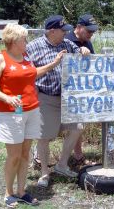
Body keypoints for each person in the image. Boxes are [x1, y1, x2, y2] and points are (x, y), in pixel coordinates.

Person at [0, 23, 66, 208]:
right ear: (13, 41)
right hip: (11, 114)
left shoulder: (26, 56)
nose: (26, 42)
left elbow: (33, 74)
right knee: (13, 155)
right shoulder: (1, 59)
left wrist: (54, 64)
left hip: (32, 110)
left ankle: (21, 191)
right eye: (24, 39)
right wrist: (7, 97)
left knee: (25, 153)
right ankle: (8, 193)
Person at [26, 15, 91, 188]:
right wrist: (53, 64)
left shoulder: (66, 44)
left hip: (66, 97)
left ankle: (62, 165)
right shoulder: (33, 47)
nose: (66, 33)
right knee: (44, 137)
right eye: (63, 30)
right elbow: (28, 73)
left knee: (77, 127)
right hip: (46, 96)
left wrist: (83, 51)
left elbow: (78, 52)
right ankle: (45, 172)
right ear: (52, 31)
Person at [65, 14, 98, 166]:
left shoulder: (88, 43)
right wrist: (78, 51)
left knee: (78, 125)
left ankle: (78, 156)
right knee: (49, 127)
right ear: (78, 27)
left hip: (79, 91)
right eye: (89, 31)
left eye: (93, 31)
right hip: (60, 89)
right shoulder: (66, 39)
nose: (91, 34)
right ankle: (39, 157)